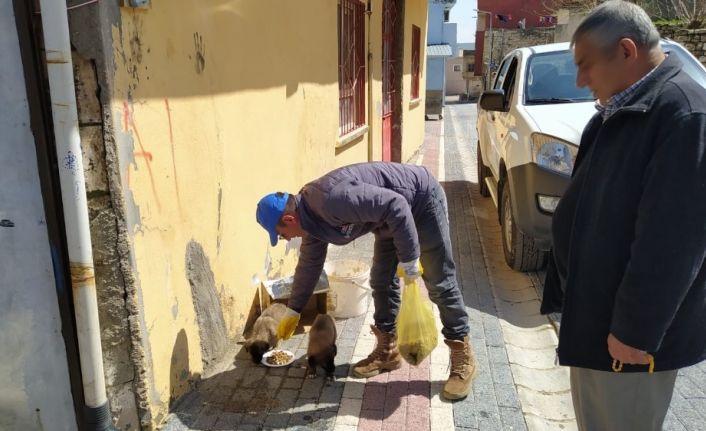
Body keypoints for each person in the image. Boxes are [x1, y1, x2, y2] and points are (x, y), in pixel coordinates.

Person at [541, 1, 706, 430]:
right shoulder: (624, 108)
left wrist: (635, 331)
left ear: (627, 51)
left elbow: (673, 242)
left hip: (628, 342)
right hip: (599, 322)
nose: (580, 80)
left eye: (585, 66)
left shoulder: (683, 115)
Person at [256, 162, 476, 400]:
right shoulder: (311, 223)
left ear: (289, 219)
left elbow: (397, 205)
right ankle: (387, 352)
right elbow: (309, 266)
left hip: (420, 203)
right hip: (388, 220)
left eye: (281, 234)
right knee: (381, 280)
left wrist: (410, 259)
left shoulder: (331, 201)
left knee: (439, 282)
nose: (285, 239)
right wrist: (294, 310)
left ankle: (462, 355)